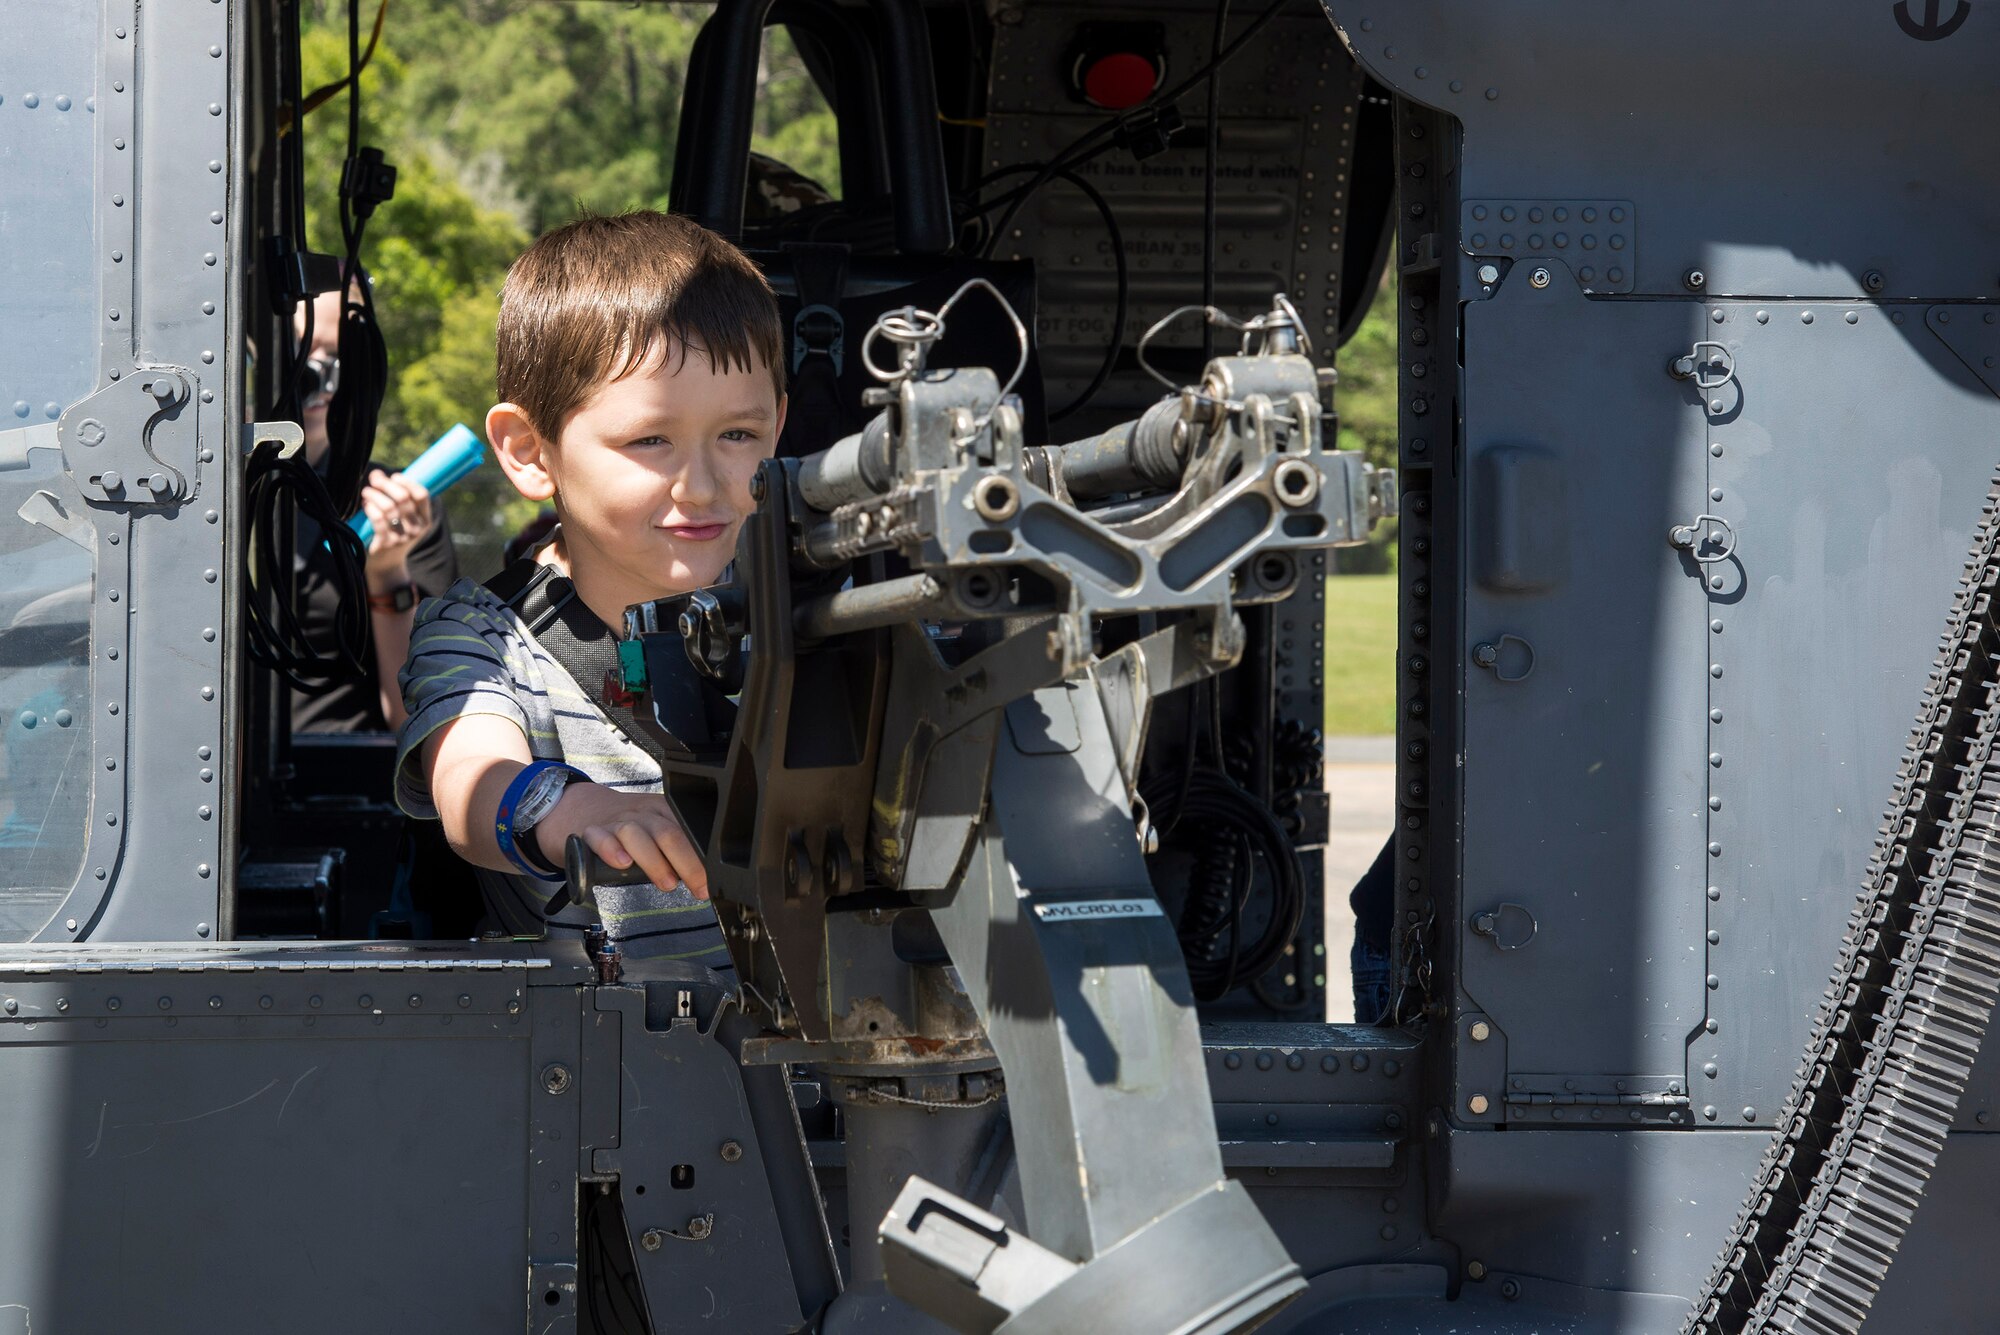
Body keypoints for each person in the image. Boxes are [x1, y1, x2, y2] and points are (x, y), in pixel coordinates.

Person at [393, 211, 786, 964]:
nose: (700, 485)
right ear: (529, 450)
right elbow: (472, 781)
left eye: (738, 435)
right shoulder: (482, 638)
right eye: (650, 440)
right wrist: (564, 806)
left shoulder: (815, 614)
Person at [290, 286, 459, 733]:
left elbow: (418, 720)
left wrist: (386, 573)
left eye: (336, 358)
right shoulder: (193, 497)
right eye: (298, 351)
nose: (317, 376)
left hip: (334, 782)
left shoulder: (396, 507)